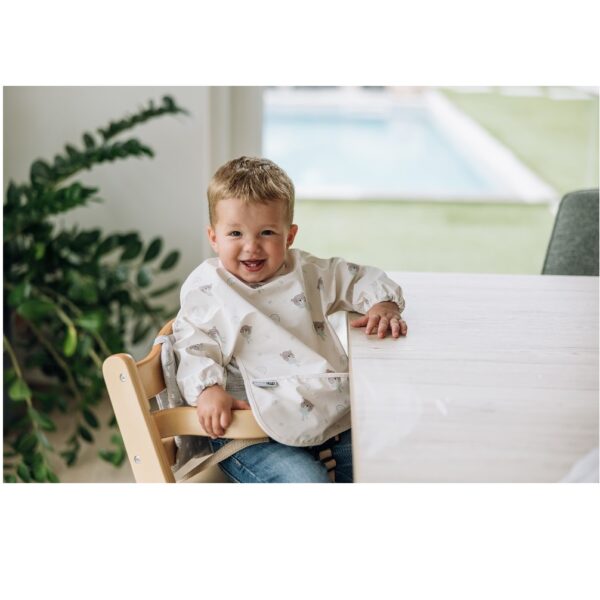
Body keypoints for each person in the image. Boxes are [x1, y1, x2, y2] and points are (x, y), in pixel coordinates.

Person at [173, 156, 407, 483]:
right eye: (235, 233)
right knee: (306, 482)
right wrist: (208, 389)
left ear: (290, 235)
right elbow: (192, 343)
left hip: (327, 415)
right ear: (214, 237)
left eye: (267, 232)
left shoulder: (307, 273)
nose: (251, 247)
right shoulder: (209, 290)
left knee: (384, 459)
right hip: (250, 431)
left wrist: (382, 303)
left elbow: (358, 278)